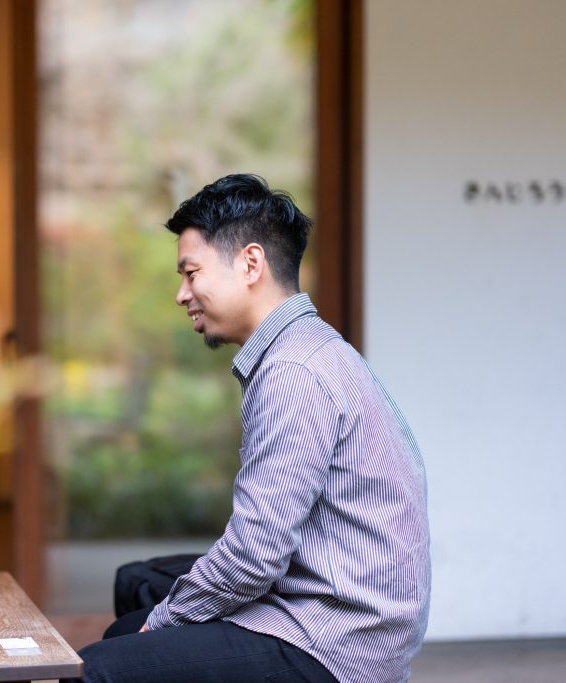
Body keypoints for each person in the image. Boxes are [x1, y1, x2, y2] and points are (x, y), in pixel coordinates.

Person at [65, 174, 430, 683]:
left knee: (96, 667)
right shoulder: (310, 345)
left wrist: (163, 624)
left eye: (191, 273)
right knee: (138, 586)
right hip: (324, 593)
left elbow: (255, 556)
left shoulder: (292, 373)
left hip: (337, 636)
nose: (180, 294)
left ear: (251, 263)